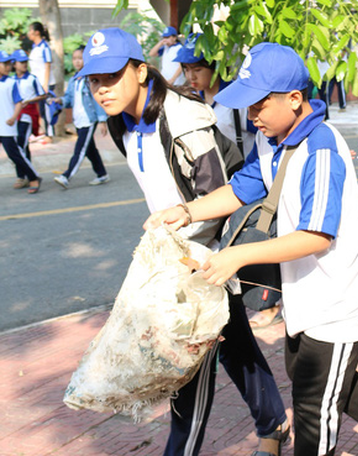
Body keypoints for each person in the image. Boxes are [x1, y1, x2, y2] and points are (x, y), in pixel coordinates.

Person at [144, 41, 358, 456]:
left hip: (341, 294)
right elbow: (245, 186)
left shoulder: (319, 148)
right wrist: (186, 211)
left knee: (313, 408)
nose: (251, 116)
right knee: (306, 371)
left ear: (295, 99)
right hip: (307, 285)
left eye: (259, 105)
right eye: (248, 106)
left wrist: (237, 255)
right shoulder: (273, 137)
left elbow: (317, 236)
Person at [78, 28, 290, 456]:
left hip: (204, 259)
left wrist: (189, 265)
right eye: (93, 80)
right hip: (178, 254)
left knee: (188, 371)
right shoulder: (121, 122)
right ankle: (273, 425)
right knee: (234, 348)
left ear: (140, 72)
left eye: (111, 77)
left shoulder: (183, 121)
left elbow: (218, 199)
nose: (101, 90)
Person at [174, 34, 284, 329]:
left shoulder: (313, 147)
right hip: (249, 177)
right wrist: (186, 212)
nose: (191, 76)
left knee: (265, 236)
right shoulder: (204, 103)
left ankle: (270, 302)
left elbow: (316, 236)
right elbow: (238, 189)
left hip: (264, 178)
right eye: (186, 70)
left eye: (197, 68)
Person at [52, 46, 110, 189]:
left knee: (80, 150)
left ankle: (66, 176)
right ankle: (102, 174)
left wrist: (102, 120)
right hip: (78, 121)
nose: (77, 62)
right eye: (74, 59)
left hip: (89, 119)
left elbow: (97, 101)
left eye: (80, 58)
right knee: (90, 149)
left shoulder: (90, 79)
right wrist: (59, 101)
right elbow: (69, 99)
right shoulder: (74, 80)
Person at [1, 50, 42, 193]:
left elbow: (19, 102)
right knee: (18, 152)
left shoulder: (11, 83)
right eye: (4, 64)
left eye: (8, 64)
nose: (8, 67)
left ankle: (33, 177)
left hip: (8, 126)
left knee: (15, 154)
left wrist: (13, 118)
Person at [12, 49, 46, 189]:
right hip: (14, 116)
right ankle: (25, 175)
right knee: (22, 147)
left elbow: (42, 95)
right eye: (21, 62)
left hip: (28, 115)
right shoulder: (11, 80)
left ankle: (25, 175)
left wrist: (29, 100)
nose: (24, 64)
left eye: (26, 62)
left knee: (20, 144)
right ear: (14, 64)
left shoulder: (32, 79)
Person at [27, 21, 55, 139]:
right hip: (37, 84)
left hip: (45, 84)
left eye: (30, 30)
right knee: (42, 111)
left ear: (36, 32)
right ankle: (43, 132)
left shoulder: (45, 47)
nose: (28, 33)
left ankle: (50, 135)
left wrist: (45, 84)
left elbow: (47, 66)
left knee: (48, 110)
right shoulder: (35, 47)